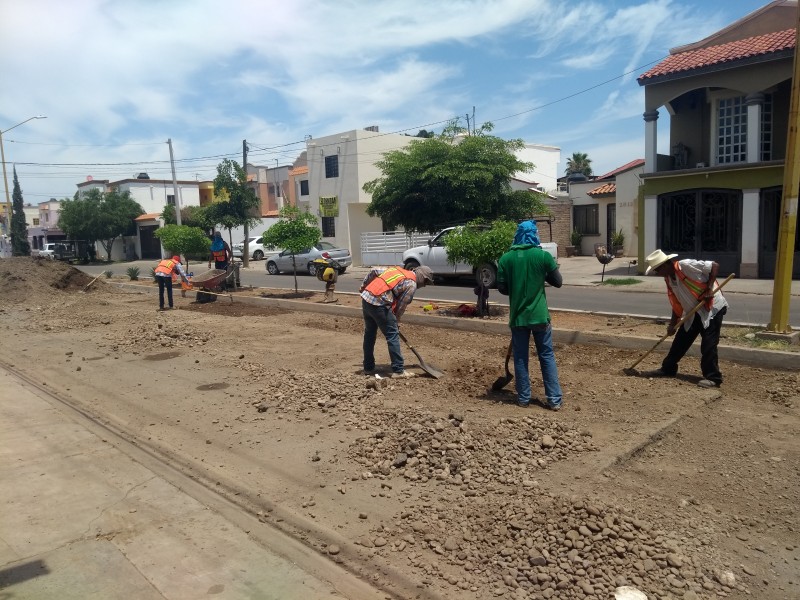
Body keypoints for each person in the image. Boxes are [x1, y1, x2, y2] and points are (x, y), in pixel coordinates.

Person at [496, 220, 564, 410]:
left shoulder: (506, 259)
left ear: (517, 235)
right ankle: (554, 400)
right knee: (546, 356)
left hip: (518, 317)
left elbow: (502, 288)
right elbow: (558, 282)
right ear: (534, 235)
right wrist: (541, 275)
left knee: (520, 357)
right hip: (540, 316)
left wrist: (516, 288)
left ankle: (524, 398)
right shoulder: (542, 256)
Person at [644, 249, 729, 388]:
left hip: (711, 308)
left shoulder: (685, 265)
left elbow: (714, 265)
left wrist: (709, 289)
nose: (657, 273)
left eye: (657, 270)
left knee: (708, 343)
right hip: (693, 311)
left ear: (665, 265)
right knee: (681, 340)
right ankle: (668, 368)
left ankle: (713, 378)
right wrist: (673, 324)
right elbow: (677, 303)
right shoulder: (669, 280)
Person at [360, 265, 434, 377]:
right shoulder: (411, 284)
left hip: (367, 299)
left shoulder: (397, 270)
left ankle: (368, 368)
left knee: (369, 334)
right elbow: (400, 307)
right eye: (425, 282)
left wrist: (364, 286)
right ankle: (398, 370)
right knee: (392, 335)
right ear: (422, 277)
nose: (423, 285)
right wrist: (395, 322)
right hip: (380, 303)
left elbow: (374, 270)